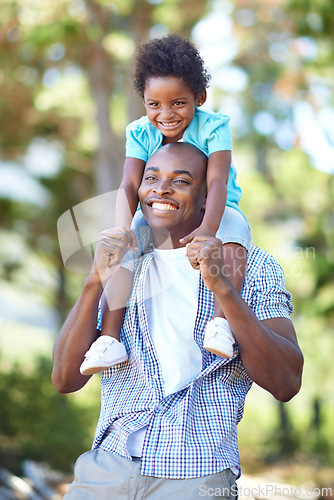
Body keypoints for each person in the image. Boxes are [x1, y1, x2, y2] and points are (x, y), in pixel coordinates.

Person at [52, 143, 303, 500]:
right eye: (151, 178)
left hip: (196, 474)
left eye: (180, 181)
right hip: (107, 468)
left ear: (207, 199)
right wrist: (94, 281)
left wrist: (223, 289)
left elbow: (286, 381)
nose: (161, 189)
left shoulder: (252, 266)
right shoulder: (122, 265)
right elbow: (65, 378)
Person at [79, 34, 252, 376]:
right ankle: (110, 337)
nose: (166, 114)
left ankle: (220, 323)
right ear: (143, 100)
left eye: (178, 103)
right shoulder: (140, 133)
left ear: (198, 97)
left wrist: (207, 230)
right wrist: (122, 229)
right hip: (162, 212)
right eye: (154, 104)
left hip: (217, 207)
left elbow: (216, 182)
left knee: (234, 236)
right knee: (123, 251)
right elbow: (130, 184)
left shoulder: (214, 127)